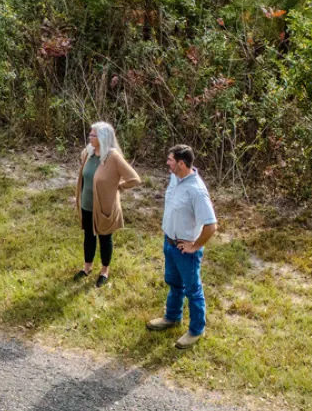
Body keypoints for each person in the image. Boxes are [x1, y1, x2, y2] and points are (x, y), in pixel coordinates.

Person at [146, 144, 218, 349]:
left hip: (185, 250)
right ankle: (172, 317)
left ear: (181, 163)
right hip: (169, 243)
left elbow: (211, 226)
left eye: (170, 160)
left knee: (192, 290)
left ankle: (196, 330)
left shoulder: (197, 191)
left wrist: (194, 246)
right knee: (173, 283)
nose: (167, 163)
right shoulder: (174, 178)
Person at [74, 122, 141, 287]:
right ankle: (87, 267)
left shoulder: (113, 157)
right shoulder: (88, 153)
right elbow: (86, 175)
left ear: (103, 138)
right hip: (86, 204)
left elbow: (134, 179)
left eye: (93, 135)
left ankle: (104, 271)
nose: (89, 137)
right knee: (88, 236)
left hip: (104, 207)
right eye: (90, 134)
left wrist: (118, 186)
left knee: (105, 238)